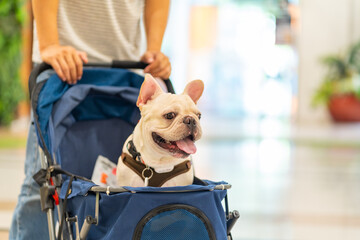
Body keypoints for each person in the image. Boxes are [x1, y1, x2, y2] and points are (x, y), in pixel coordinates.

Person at [10, 0, 171, 239]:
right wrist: (49, 44)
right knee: (43, 184)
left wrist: (155, 50)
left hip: (127, 72)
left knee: (123, 185)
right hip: (61, 68)